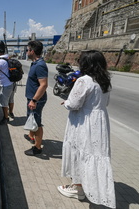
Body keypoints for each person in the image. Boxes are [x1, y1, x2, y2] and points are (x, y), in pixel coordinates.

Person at [57, 50, 115, 208]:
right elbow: (106, 103)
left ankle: (79, 189)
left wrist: (66, 102)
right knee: (94, 153)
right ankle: (92, 187)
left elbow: (74, 104)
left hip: (83, 121)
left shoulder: (84, 80)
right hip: (100, 122)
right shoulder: (104, 80)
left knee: (79, 152)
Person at [24, 40, 48, 156]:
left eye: (27, 50)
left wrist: (34, 100)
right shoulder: (35, 63)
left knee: (37, 123)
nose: (26, 52)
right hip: (32, 98)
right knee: (33, 120)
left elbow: (44, 85)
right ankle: (31, 137)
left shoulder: (40, 65)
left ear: (32, 51)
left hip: (36, 99)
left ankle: (37, 148)